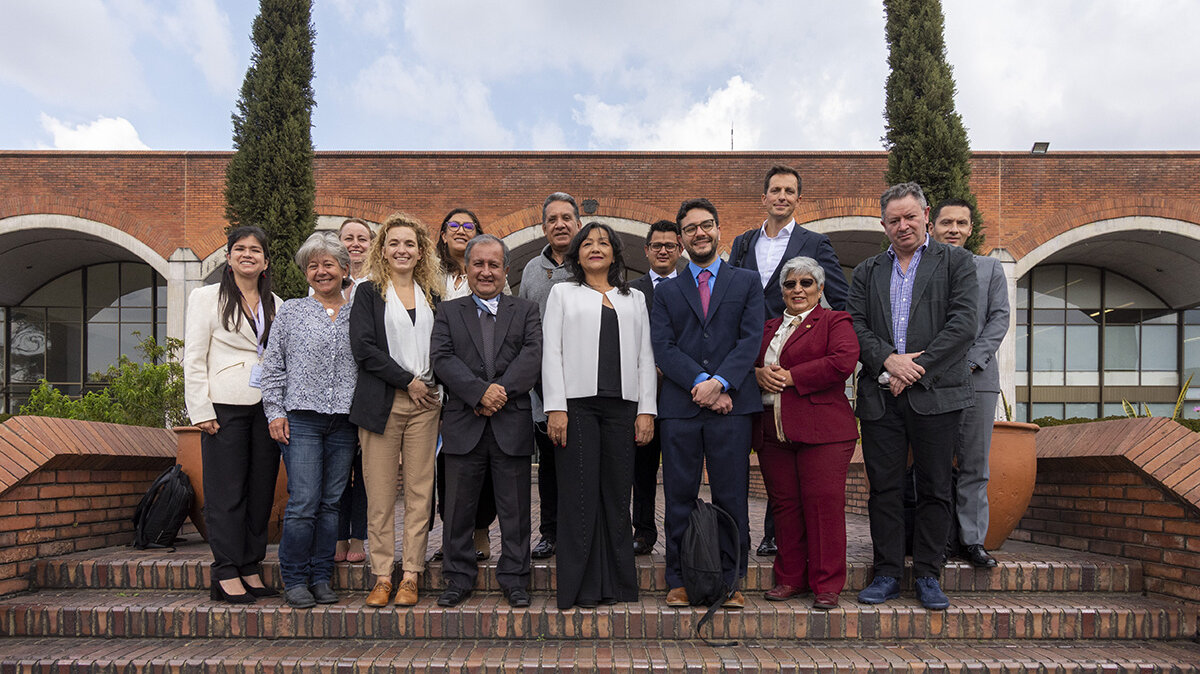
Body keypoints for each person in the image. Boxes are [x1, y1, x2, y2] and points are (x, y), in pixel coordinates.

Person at [848, 182, 978, 611]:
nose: (902, 225)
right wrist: (889, 360)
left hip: (937, 395)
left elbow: (962, 325)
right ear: (883, 224)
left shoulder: (956, 262)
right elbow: (855, 324)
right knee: (884, 489)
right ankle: (886, 572)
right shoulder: (867, 271)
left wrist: (914, 368)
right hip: (881, 397)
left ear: (926, 214)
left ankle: (927, 574)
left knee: (936, 488)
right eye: (893, 220)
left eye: (909, 216)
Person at [728, 164, 849, 556]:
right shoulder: (743, 243)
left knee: (788, 434)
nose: (782, 197)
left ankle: (775, 535)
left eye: (789, 191)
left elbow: (840, 297)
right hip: (751, 356)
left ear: (798, 199)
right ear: (763, 198)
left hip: (796, 354)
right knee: (763, 443)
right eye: (775, 190)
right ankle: (742, 533)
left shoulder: (816, 242)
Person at [651, 198, 764, 610]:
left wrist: (719, 382)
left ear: (719, 230)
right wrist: (700, 382)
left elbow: (750, 339)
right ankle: (679, 578)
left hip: (732, 405)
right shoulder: (667, 291)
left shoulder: (747, 282)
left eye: (707, 225)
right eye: (691, 228)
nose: (699, 233)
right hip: (681, 408)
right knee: (679, 496)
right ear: (681, 239)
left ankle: (731, 580)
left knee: (731, 495)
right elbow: (662, 347)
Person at [542, 222, 657, 609]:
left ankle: (620, 586)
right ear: (577, 253)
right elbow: (551, 353)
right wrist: (555, 406)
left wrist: (646, 411)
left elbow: (645, 357)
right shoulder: (562, 293)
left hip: (622, 407)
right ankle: (582, 588)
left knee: (615, 495)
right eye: (587, 243)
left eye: (603, 242)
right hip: (576, 406)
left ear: (614, 253)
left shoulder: (634, 299)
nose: (596, 248)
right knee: (578, 495)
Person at [431, 234, 542, 608]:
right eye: (478, 264)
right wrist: (479, 392)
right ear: (467, 268)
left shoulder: (525, 310)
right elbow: (442, 359)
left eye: (494, 264)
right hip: (464, 424)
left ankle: (515, 579)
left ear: (506, 270)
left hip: (510, 422)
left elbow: (532, 357)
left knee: (515, 510)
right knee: (458, 510)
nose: (486, 271)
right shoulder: (448, 312)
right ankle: (458, 578)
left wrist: (499, 393)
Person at [752, 256, 859, 609]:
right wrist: (757, 375)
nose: (798, 289)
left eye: (806, 283)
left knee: (823, 507)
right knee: (785, 506)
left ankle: (826, 584)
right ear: (781, 290)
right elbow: (748, 363)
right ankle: (790, 578)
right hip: (773, 432)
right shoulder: (767, 327)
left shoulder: (834, 320)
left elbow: (843, 360)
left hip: (823, 431)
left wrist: (793, 377)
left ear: (820, 288)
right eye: (790, 284)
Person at [350, 212, 444, 608]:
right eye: (394, 243)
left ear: (420, 251)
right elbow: (364, 349)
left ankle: (411, 575)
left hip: (427, 404)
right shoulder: (369, 293)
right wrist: (408, 381)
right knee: (381, 493)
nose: (402, 250)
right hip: (383, 402)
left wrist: (431, 384)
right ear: (382, 250)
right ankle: (382, 575)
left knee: (422, 492)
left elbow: (443, 348)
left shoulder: (433, 297)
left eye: (410, 243)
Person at [182, 225, 280, 604]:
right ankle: (225, 571)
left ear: (265, 261)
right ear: (228, 257)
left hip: (267, 407)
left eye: (255, 250)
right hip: (223, 407)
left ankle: (250, 566)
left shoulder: (278, 304)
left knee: (260, 491)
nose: (248, 255)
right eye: (240, 248)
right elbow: (193, 356)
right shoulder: (206, 297)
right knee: (226, 493)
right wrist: (200, 409)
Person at [261, 231, 359, 608]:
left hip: (345, 422)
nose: (321, 271)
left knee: (332, 502)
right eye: (313, 265)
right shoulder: (290, 312)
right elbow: (273, 367)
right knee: (304, 501)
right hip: (301, 419)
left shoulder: (359, 313)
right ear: (305, 272)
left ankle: (321, 577)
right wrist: (275, 412)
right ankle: (295, 578)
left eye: (328, 264)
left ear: (344, 269)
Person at [929, 199, 1010, 568]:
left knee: (975, 464)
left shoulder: (990, 268)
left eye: (962, 223)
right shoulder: (921, 269)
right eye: (947, 222)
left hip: (978, 379)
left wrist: (973, 360)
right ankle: (942, 541)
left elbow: (999, 319)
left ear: (970, 228)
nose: (954, 229)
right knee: (938, 466)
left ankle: (973, 541)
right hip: (933, 382)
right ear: (932, 227)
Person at [433, 208, 509, 562]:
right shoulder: (427, 277)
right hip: (438, 387)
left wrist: (482, 390)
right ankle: (452, 540)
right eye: (454, 225)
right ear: (444, 234)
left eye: (469, 226)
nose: (461, 231)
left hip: (484, 390)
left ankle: (480, 533)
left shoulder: (492, 279)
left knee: (485, 468)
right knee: (446, 470)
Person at [518, 192, 581, 560]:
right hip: (544, 383)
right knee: (550, 465)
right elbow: (525, 325)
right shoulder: (529, 270)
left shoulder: (593, 261)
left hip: (587, 380)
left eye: (566, 218)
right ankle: (550, 532)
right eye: (552, 219)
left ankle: (582, 532)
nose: (560, 224)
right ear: (544, 227)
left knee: (585, 463)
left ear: (578, 223)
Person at [627, 219, 683, 555]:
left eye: (670, 245)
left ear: (679, 249)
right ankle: (643, 532)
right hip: (641, 398)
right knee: (642, 471)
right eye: (656, 245)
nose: (663, 251)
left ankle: (680, 535)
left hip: (681, 395)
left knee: (680, 471)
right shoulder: (629, 291)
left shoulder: (691, 286)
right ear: (646, 250)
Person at [334, 218, 373, 565]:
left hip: (366, 389)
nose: (355, 244)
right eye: (349, 238)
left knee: (362, 471)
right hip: (331, 393)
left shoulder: (377, 287)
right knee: (335, 468)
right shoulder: (323, 284)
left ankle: (358, 534)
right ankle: (337, 535)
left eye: (362, 238)